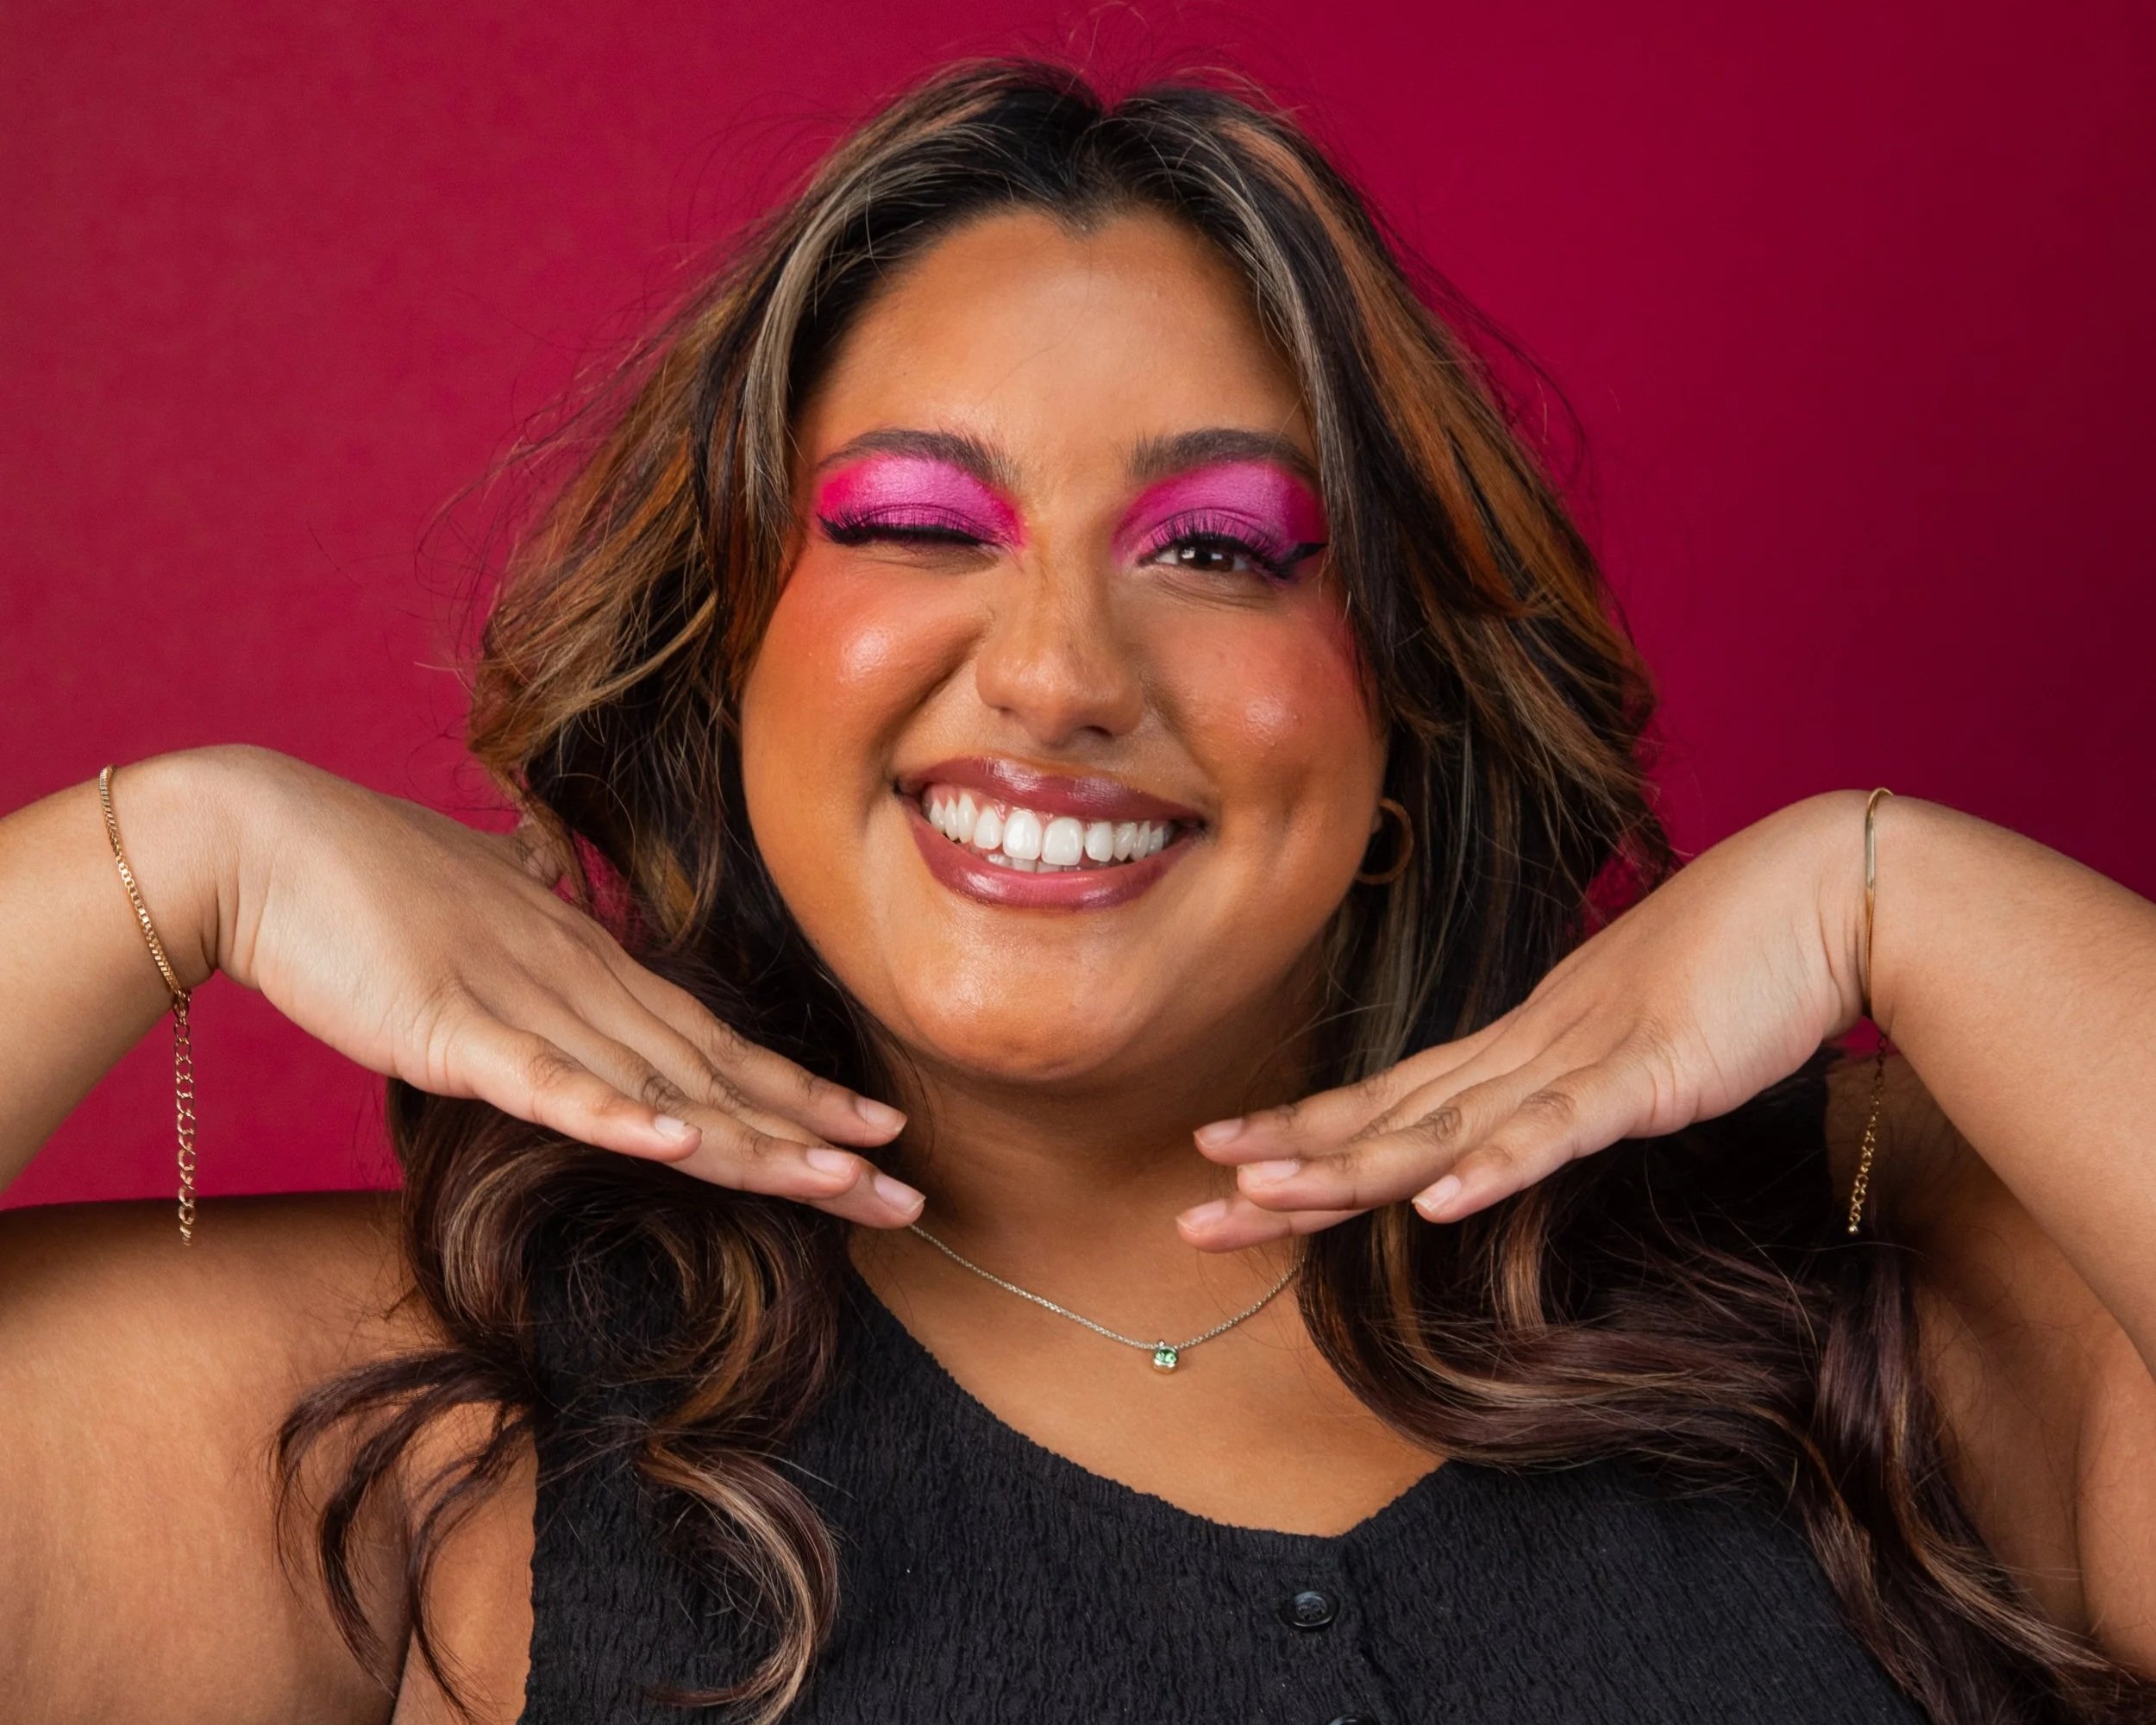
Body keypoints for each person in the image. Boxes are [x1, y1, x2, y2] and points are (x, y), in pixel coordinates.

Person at [2, 55, 2151, 1725]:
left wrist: (1902, 895)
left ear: (1399, 689)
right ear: (724, 649)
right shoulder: (429, 1410)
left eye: (1213, 548)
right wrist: (173, 853)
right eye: (914, 523)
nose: (1051, 671)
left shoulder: (1878, 1292)